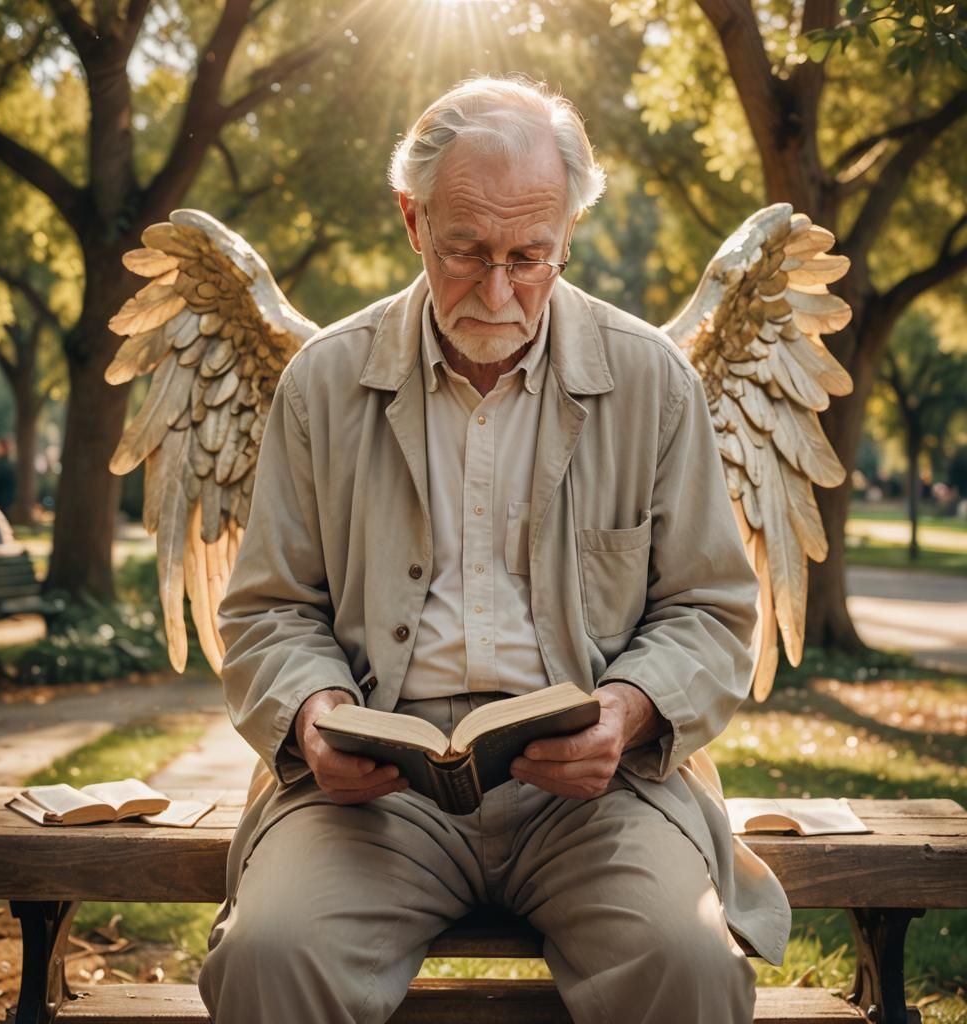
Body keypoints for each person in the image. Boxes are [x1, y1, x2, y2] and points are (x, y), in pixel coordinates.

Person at [198, 77, 790, 1024]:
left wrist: (629, 713)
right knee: (271, 956)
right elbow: (269, 608)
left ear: (568, 234)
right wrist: (313, 719)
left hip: (600, 793)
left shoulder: (653, 382)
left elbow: (711, 612)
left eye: (532, 255)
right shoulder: (322, 383)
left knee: (685, 960)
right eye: (466, 250)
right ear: (412, 220)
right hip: (374, 798)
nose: (500, 288)